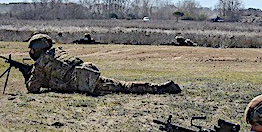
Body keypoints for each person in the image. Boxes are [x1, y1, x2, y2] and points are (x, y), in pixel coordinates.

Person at [24, 33, 181, 95]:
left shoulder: (41, 63)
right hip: (86, 70)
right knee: (121, 85)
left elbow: (33, 88)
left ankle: (160, 89)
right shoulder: (56, 52)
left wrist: (29, 74)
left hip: (83, 80)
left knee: (124, 88)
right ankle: (160, 87)